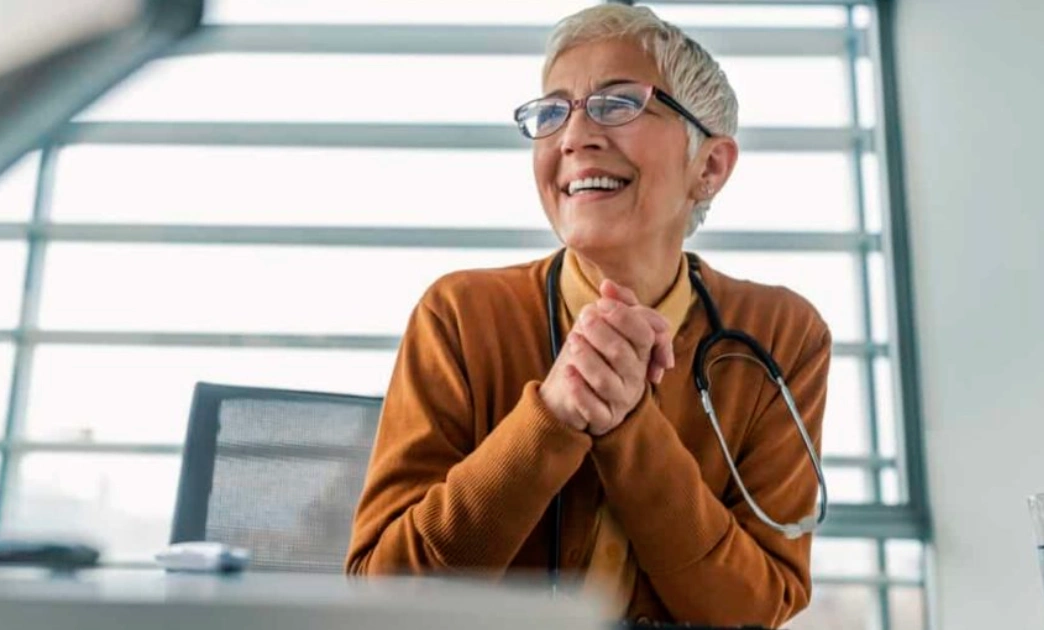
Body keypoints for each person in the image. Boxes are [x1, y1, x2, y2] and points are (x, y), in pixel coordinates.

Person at [345, 5, 831, 627]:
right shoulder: (460, 315)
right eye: (552, 112)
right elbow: (385, 599)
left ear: (708, 167)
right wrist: (551, 417)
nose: (574, 136)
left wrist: (630, 426)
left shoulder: (782, 335)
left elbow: (751, 608)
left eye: (617, 103)